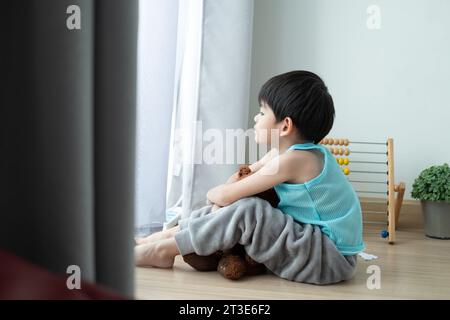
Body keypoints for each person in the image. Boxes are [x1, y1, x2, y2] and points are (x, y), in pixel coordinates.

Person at [135, 70, 365, 284]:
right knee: (240, 205)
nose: (256, 118)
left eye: (262, 112)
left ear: (285, 126)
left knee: (249, 210)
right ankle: (156, 239)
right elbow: (240, 181)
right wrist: (222, 202)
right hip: (314, 246)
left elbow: (228, 193)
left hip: (329, 259)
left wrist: (215, 196)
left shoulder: (297, 160)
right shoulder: (283, 153)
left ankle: (163, 251)